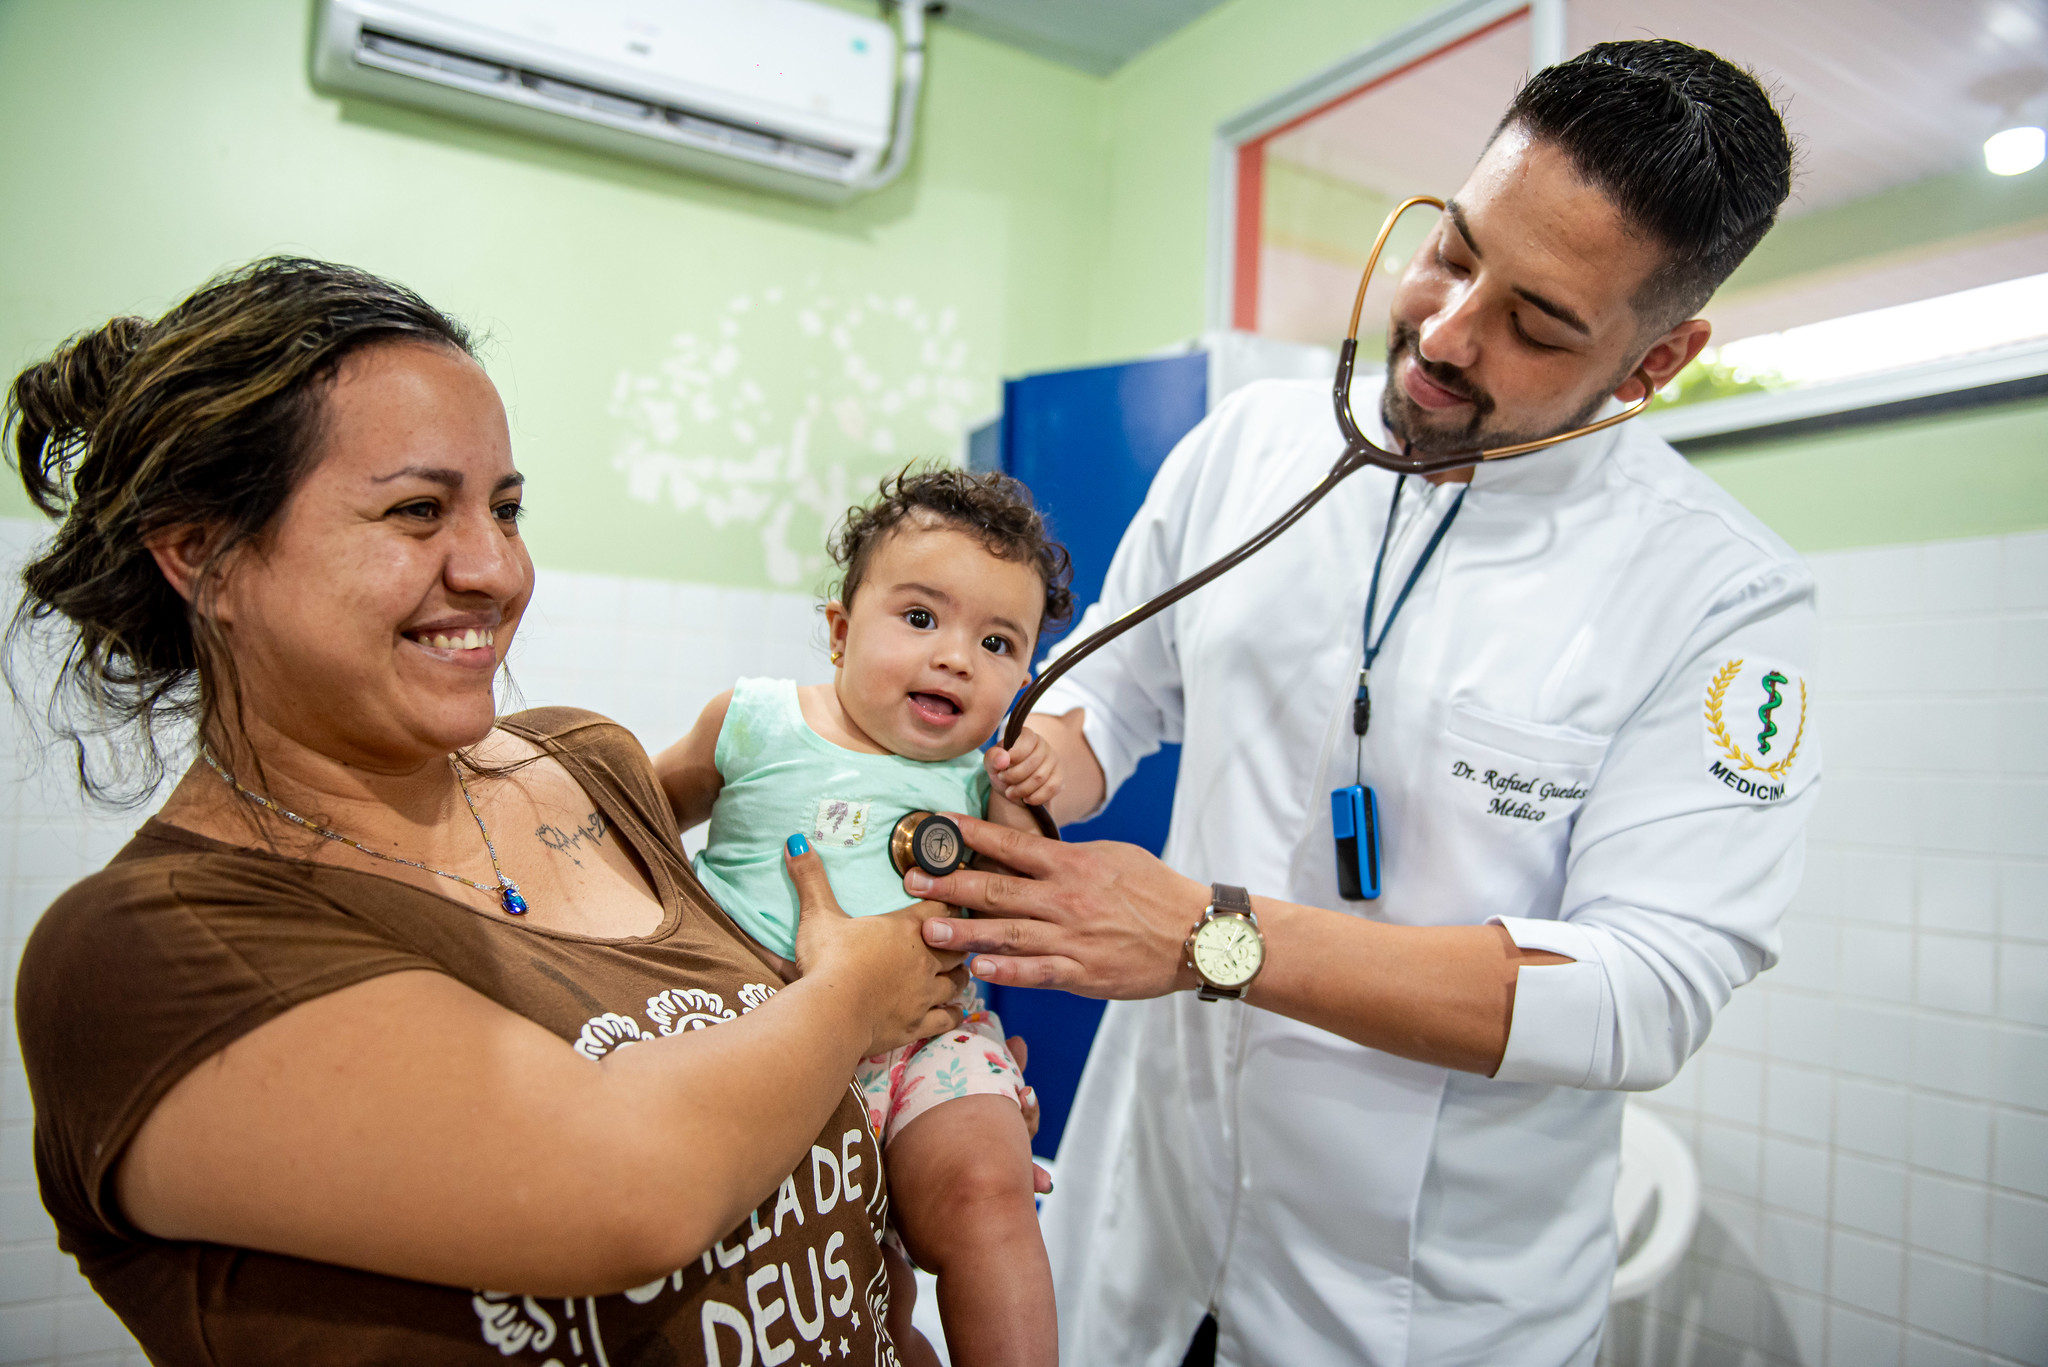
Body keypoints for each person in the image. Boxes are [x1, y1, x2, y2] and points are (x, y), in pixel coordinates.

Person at [899, 40, 1815, 1367]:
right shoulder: (1251, 444)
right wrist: (1049, 756)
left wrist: (1211, 935)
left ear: (1653, 359)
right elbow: (1117, 677)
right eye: (1452, 251)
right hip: (1139, 1239)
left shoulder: (1718, 598)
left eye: (1537, 323)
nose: (1444, 332)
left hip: (1412, 1310)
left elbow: (1645, 989)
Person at [5, 256, 974, 1364]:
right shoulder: (144, 952)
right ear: (201, 554)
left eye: (505, 510)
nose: (497, 569)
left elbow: (792, 1167)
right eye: (418, 510)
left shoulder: (592, 767)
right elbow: (629, 1185)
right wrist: (854, 1000)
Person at [656, 468, 1089, 1367]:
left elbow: (1030, 889)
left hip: (929, 1043)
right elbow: (632, 826)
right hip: (761, 1036)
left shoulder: (982, 781)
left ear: (1022, 679)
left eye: (997, 642)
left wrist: (1028, 791)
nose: (956, 658)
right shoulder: (756, 722)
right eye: (921, 617)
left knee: (989, 1193)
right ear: (841, 632)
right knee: (834, 1275)